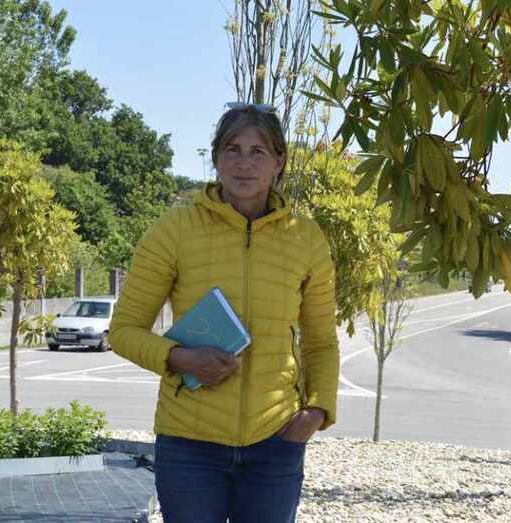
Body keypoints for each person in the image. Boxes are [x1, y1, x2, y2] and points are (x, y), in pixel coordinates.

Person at [108, 102, 339, 523]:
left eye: (258, 151)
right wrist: (181, 358)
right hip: (189, 445)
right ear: (216, 158)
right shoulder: (175, 230)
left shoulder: (305, 239)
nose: (244, 163)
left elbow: (321, 341)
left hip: (276, 441)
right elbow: (123, 331)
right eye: (233, 149)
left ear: (279, 162)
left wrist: (315, 413)